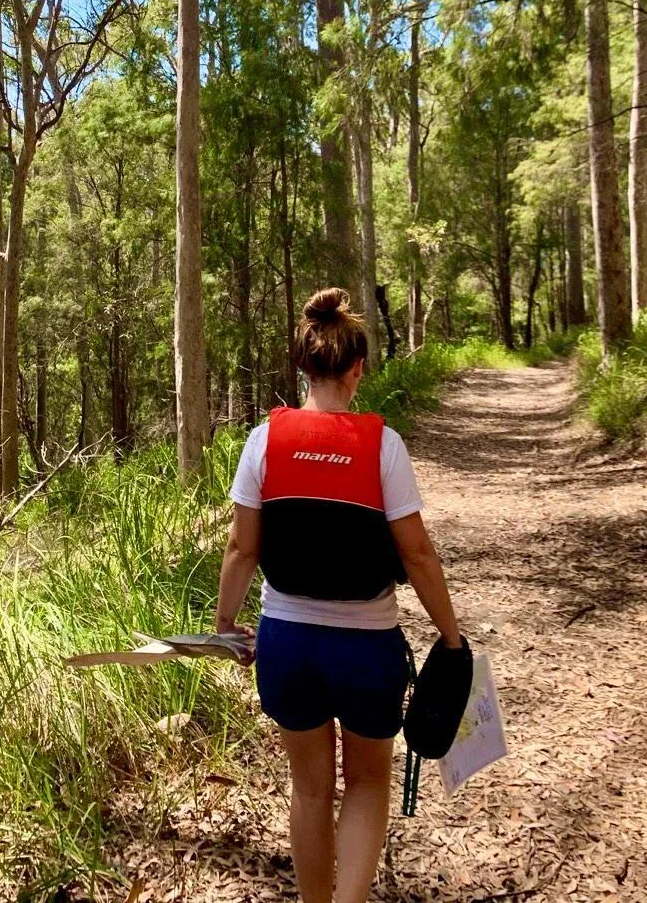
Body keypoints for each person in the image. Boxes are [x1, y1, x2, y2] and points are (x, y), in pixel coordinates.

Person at [212, 287, 462, 903]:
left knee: (310, 788)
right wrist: (451, 639)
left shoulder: (262, 442)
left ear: (302, 366)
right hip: (367, 650)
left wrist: (223, 623)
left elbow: (241, 550)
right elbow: (417, 555)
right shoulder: (383, 446)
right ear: (358, 368)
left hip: (287, 645)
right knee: (369, 782)